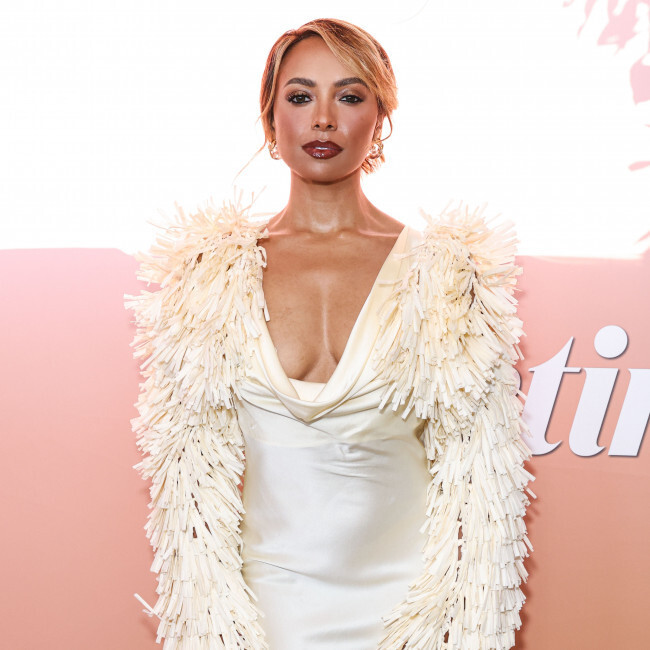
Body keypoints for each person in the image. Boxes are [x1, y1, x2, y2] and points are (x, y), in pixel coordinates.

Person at [125, 17, 535, 650]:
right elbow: (187, 483)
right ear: (270, 119)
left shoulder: (447, 274)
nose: (322, 119)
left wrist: (460, 631)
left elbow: (484, 484)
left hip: (411, 621)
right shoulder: (207, 276)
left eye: (348, 96)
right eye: (299, 96)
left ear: (380, 117)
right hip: (264, 618)